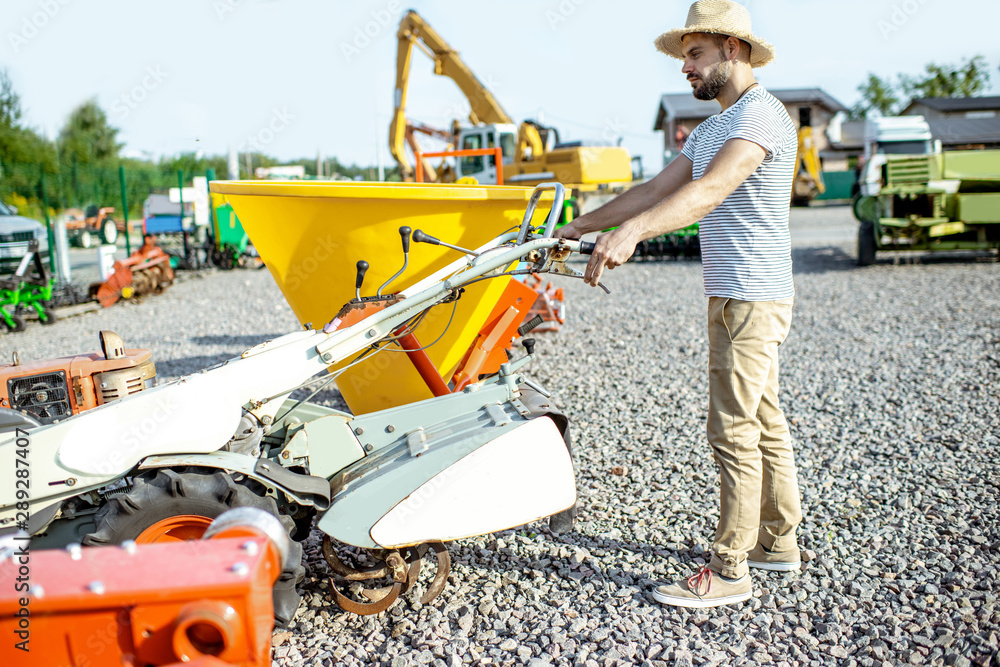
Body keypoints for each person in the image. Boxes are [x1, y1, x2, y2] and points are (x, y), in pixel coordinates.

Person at [556, 0, 803, 608]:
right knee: (764, 421)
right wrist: (577, 226)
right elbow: (657, 189)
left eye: (694, 54)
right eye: (684, 56)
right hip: (730, 295)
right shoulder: (719, 124)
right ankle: (778, 543)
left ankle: (729, 569)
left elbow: (712, 190)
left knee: (733, 430)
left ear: (733, 50)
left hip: (753, 295)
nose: (684, 68)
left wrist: (634, 234)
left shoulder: (762, 117)